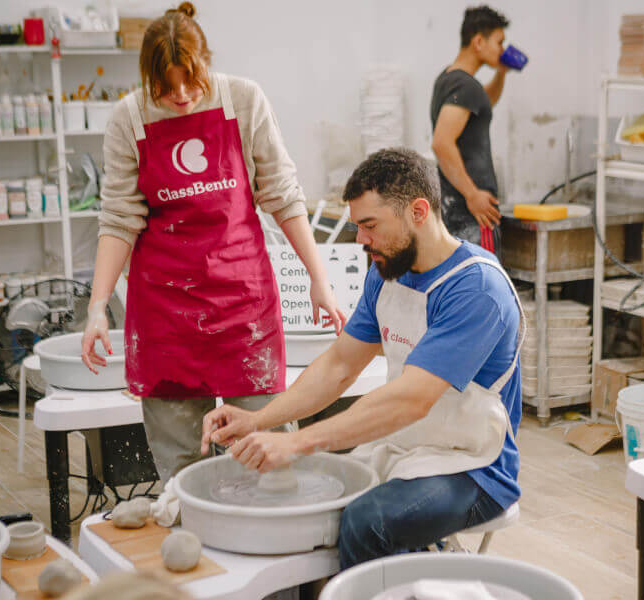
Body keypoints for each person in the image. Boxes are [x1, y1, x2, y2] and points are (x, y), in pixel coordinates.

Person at [201, 148, 524, 569]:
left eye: (370, 226)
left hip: (473, 466)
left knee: (365, 521)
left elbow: (411, 399)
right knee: (308, 502)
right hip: (406, 444)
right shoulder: (387, 270)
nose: (360, 240)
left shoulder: (475, 289)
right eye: (358, 227)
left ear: (419, 211)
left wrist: (297, 442)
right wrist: (257, 420)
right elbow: (338, 366)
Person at [80, 2, 344, 485]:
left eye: (190, 80)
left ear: (207, 63)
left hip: (242, 305)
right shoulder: (129, 118)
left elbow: (283, 195)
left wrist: (318, 279)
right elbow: (119, 219)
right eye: (165, 86)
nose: (180, 95)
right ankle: (196, 543)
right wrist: (98, 306)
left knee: (268, 451)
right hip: (166, 313)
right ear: (147, 77)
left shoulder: (242, 100)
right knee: (182, 466)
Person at [430, 5, 513, 257]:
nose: (502, 49)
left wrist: (501, 72)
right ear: (478, 41)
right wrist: (472, 194)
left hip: (455, 206)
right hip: (470, 211)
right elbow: (441, 143)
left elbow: (484, 102)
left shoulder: (450, 79)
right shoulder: (466, 86)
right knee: (479, 283)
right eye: (499, 42)